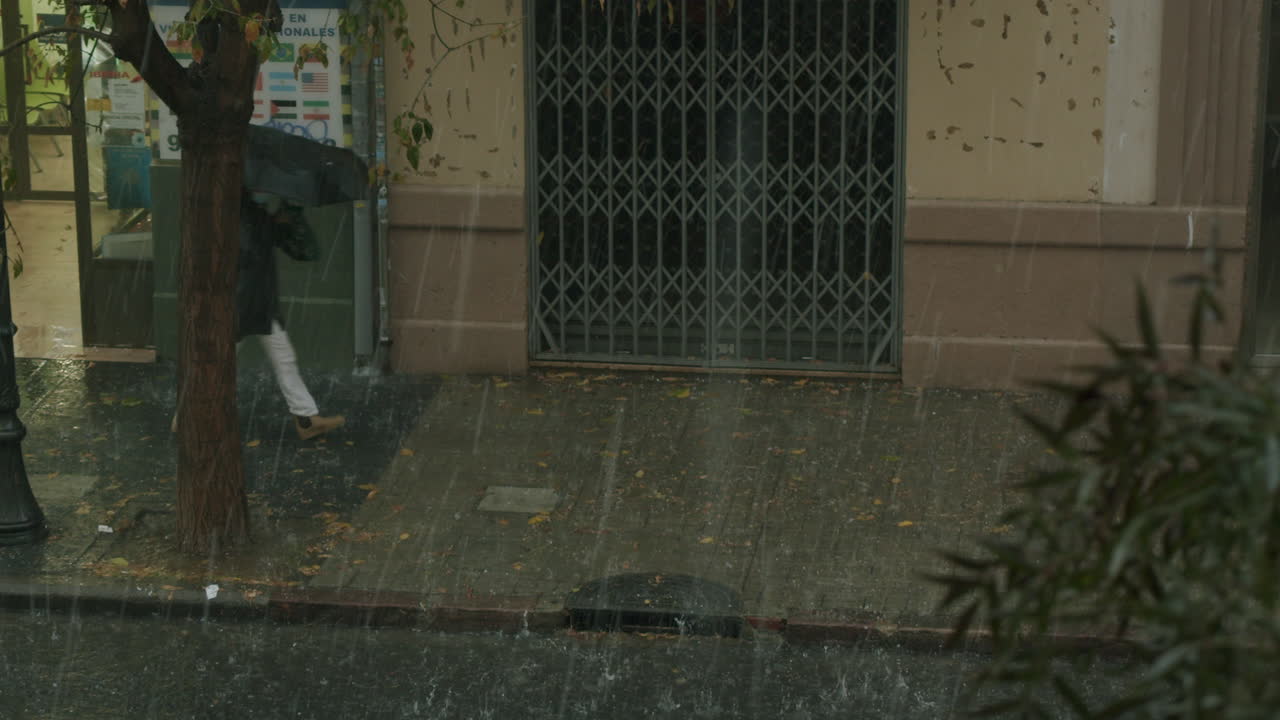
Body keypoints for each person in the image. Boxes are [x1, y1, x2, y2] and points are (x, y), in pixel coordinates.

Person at [172, 191, 345, 440]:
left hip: (257, 305)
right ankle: (186, 416)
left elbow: (303, 250)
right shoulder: (240, 218)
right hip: (243, 306)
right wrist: (275, 223)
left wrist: (289, 219)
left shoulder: (252, 216)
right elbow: (248, 257)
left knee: (281, 358)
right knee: (217, 362)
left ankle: (306, 418)